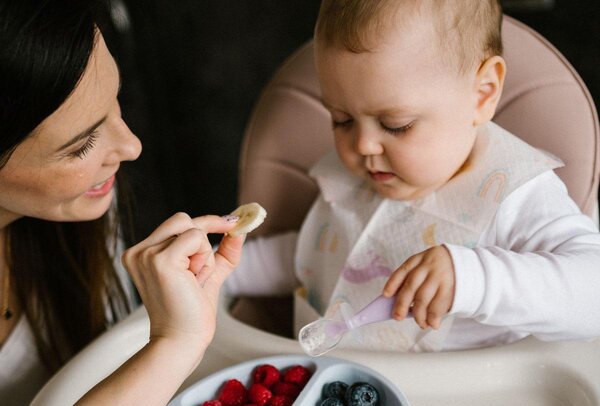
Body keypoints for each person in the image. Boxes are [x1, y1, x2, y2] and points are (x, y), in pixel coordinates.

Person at [0, 0, 244, 406]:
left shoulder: (72, 221)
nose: (131, 145)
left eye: (115, 104)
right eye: (82, 143)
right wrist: (171, 345)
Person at [225, 0, 600, 352]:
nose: (364, 144)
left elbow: (592, 294)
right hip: (328, 395)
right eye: (342, 120)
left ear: (482, 94)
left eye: (396, 125)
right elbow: (314, 255)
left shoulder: (515, 193)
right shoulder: (358, 174)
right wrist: (221, 271)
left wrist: (476, 279)